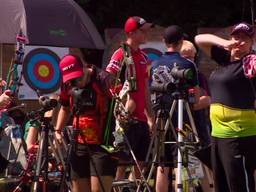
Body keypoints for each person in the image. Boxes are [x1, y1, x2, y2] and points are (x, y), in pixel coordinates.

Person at [194, 22, 256, 192]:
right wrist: (224, 44)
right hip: (218, 134)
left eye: (245, 39)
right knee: (222, 184)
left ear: (252, 42)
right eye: (236, 37)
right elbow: (199, 39)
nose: (239, 42)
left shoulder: (250, 62)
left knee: (239, 184)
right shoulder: (225, 59)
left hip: (239, 134)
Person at [55, 54, 117, 192]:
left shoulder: (104, 80)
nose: (75, 81)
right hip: (79, 143)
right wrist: (57, 130)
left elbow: (123, 103)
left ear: (84, 66)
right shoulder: (67, 83)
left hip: (104, 144)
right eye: (71, 78)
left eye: (78, 76)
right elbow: (64, 107)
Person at [150, 25, 200, 192]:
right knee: (184, 159)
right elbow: (196, 98)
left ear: (164, 41)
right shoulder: (188, 64)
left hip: (161, 117)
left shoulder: (154, 64)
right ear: (181, 42)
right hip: (183, 118)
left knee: (162, 164)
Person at [105, 16, 155, 181]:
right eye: (143, 30)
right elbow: (107, 80)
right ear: (132, 33)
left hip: (141, 119)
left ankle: (134, 188)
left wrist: (150, 117)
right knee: (121, 162)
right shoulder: (120, 53)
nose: (146, 33)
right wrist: (121, 104)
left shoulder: (143, 57)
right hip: (125, 120)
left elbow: (145, 89)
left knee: (141, 162)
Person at [180, 40, 211, 147]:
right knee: (185, 151)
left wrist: (187, 106)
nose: (190, 61)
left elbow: (207, 100)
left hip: (199, 124)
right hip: (181, 124)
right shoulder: (175, 78)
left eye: (192, 57)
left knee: (204, 150)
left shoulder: (199, 76)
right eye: (186, 58)